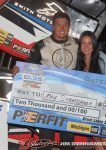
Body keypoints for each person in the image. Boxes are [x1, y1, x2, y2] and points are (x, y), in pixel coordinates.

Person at [12, 12, 78, 150]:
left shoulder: (77, 44)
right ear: (52, 26)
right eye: (58, 25)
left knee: (68, 142)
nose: (62, 28)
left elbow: (92, 65)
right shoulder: (42, 44)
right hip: (47, 102)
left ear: (69, 27)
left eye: (65, 25)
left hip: (70, 101)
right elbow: (27, 67)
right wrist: (17, 69)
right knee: (46, 142)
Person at [75, 31, 106, 150]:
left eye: (89, 43)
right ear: (80, 45)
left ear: (94, 45)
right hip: (87, 108)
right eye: (83, 43)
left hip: (103, 107)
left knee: (105, 138)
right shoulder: (78, 63)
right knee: (96, 138)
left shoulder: (101, 59)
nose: (86, 46)